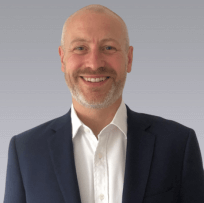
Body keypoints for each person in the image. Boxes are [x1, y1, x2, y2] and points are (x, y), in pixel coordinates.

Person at [3, 4, 204, 203]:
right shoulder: (25, 150)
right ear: (63, 59)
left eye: (108, 47)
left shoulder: (178, 144)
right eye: (80, 48)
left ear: (129, 58)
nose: (94, 63)